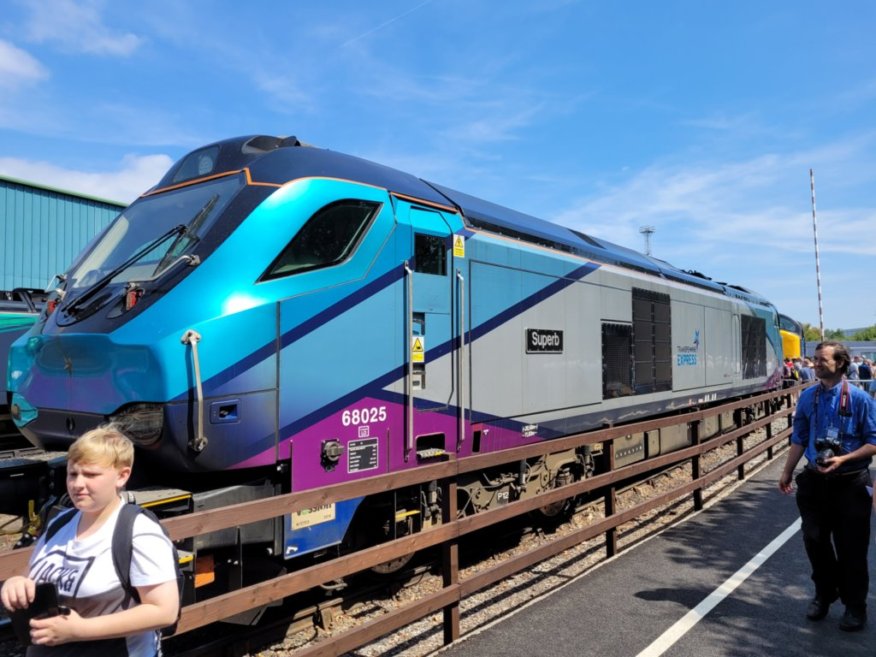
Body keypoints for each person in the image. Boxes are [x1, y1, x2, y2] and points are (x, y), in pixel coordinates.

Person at [0, 426, 179, 656]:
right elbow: (32, 574)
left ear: (122, 475)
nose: (77, 484)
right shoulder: (60, 521)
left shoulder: (138, 532)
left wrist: (80, 630)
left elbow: (164, 611)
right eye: (73, 474)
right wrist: (17, 582)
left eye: (91, 475)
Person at [778, 341, 876, 631]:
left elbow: (873, 442)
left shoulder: (860, 399)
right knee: (814, 540)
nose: (816, 364)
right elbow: (799, 438)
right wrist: (786, 471)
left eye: (822, 360)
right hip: (815, 482)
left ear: (840, 364)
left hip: (851, 484)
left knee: (852, 549)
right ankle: (825, 592)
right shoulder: (808, 398)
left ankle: (855, 606)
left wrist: (844, 458)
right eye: (814, 359)